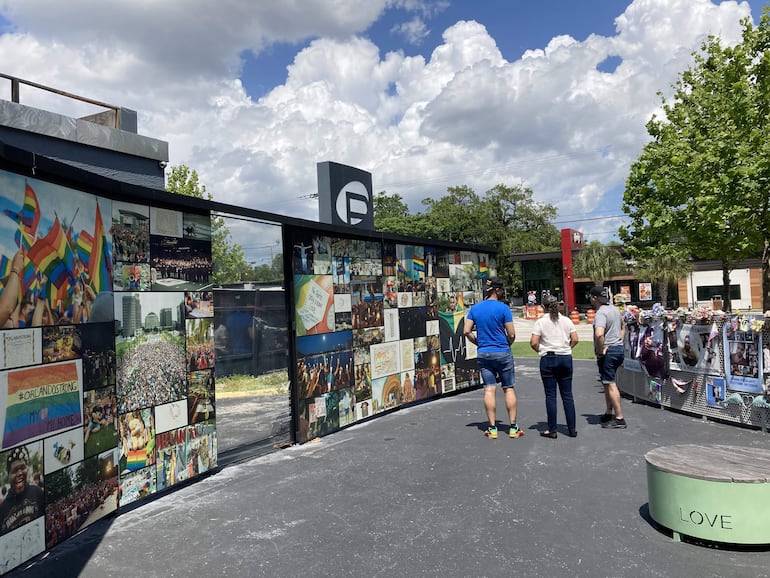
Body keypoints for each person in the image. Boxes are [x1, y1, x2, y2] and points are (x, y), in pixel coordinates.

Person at [463, 277, 523, 439]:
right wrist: (507, 343)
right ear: (498, 290)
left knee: (489, 389)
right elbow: (511, 333)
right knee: (508, 387)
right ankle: (513, 427)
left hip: (484, 352)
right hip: (502, 351)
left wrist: (478, 342)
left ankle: (492, 428)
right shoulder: (503, 309)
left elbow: (466, 331)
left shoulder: (475, 309)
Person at [530, 295, 579, 439]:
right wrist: (567, 348)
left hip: (549, 357)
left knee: (551, 395)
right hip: (565, 357)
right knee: (567, 395)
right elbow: (575, 338)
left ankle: (552, 429)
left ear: (543, 307)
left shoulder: (540, 322)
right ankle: (572, 429)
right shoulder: (566, 320)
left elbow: (533, 342)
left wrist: (541, 350)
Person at [589, 286, 626, 429]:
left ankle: (619, 417)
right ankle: (608, 412)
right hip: (617, 349)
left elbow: (599, 333)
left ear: (595, 298)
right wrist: (619, 342)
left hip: (608, 350)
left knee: (610, 383)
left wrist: (600, 349)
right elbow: (623, 327)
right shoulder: (614, 309)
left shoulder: (601, 313)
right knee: (606, 381)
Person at [0, 446, 44, 535]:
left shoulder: (37, 492)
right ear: (8, 475)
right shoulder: (2, 509)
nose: (20, 473)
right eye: (15, 470)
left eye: (23, 468)